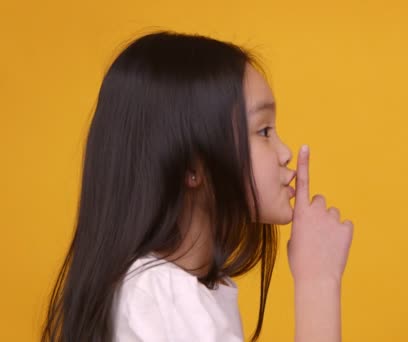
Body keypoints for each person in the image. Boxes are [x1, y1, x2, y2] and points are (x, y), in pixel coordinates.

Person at [41, 30, 354, 342]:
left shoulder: (175, 293)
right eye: (263, 130)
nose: (285, 153)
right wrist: (318, 282)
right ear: (191, 167)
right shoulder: (163, 297)